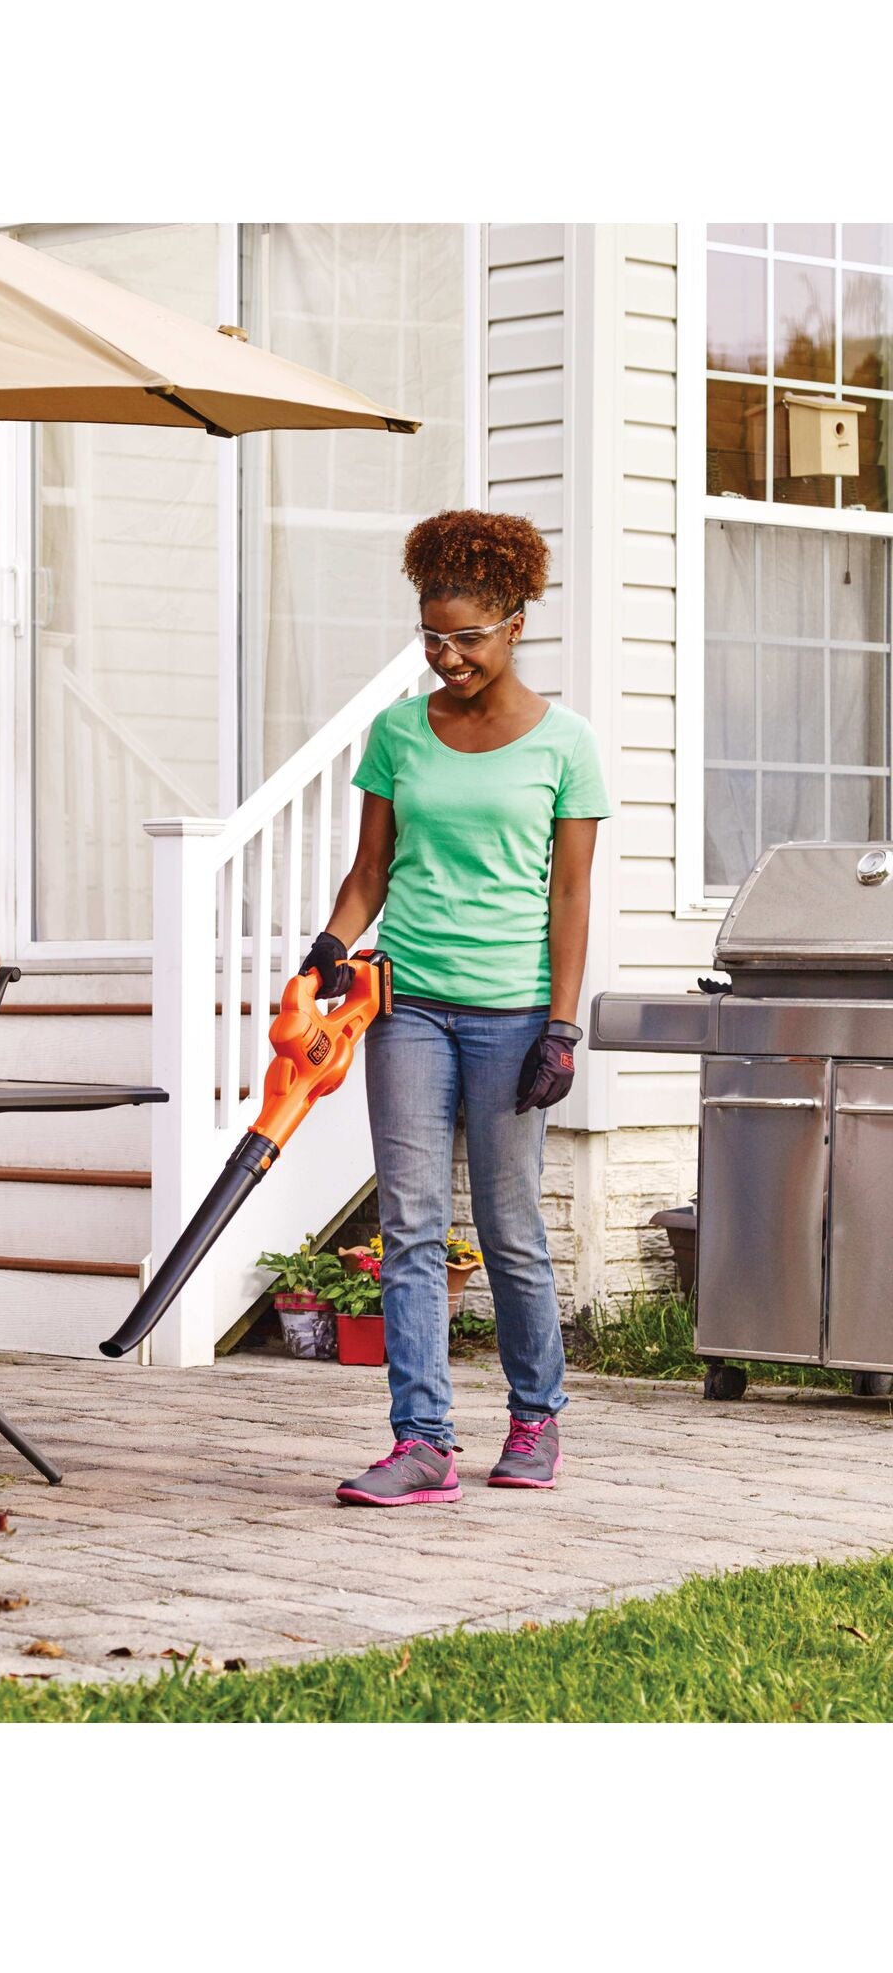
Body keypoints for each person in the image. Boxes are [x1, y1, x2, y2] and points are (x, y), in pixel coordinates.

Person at [304, 510, 609, 1506]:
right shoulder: (398, 732)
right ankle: (421, 1438)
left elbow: (568, 896)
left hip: (513, 1012)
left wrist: (560, 1024)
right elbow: (369, 870)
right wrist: (330, 944)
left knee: (510, 1221)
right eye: (430, 637)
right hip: (407, 1006)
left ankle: (534, 1417)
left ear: (515, 622)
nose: (445, 657)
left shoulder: (566, 746)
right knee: (410, 1223)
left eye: (465, 637)